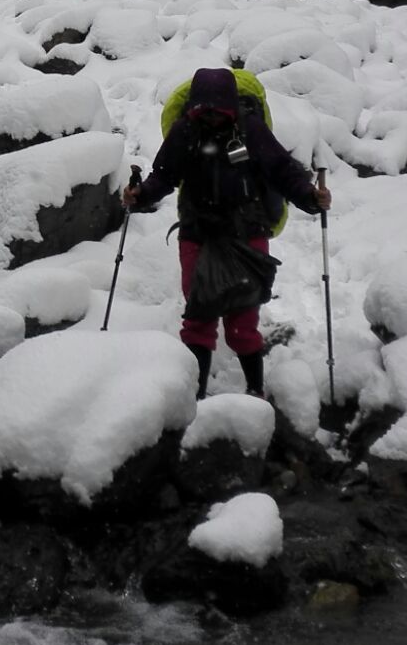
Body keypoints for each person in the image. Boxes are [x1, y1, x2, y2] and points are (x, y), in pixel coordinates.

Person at [123, 67, 330, 399]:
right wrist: (141, 195)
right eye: (204, 111)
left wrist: (310, 198)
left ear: (232, 106)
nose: (211, 118)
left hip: (245, 232)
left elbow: (281, 171)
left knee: (242, 320)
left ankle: (253, 392)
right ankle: (196, 398)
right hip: (199, 233)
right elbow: (164, 176)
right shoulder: (185, 131)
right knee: (200, 316)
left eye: (218, 111)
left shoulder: (251, 130)